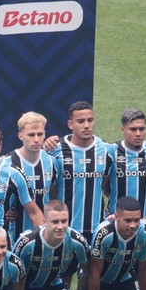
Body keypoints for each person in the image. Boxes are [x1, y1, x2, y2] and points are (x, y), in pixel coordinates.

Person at [13, 200, 89, 290]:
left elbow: (87, 270)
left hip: (53, 283)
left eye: (64, 221)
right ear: (44, 221)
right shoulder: (27, 242)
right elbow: (12, 276)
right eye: (55, 222)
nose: (60, 227)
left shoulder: (77, 241)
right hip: (25, 287)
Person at [78, 197, 146, 290]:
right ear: (116, 217)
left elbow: (143, 270)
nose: (133, 225)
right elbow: (94, 273)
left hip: (123, 277)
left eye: (137, 220)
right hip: (97, 278)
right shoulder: (104, 233)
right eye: (128, 220)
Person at [46, 101, 112, 239]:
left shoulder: (107, 149)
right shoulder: (55, 150)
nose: (86, 125)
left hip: (98, 227)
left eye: (90, 120)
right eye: (81, 121)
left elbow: (109, 182)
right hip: (64, 228)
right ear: (70, 124)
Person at [6, 112, 61, 244]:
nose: (36, 139)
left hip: (45, 235)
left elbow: (56, 193)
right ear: (20, 135)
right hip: (15, 237)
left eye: (40, 134)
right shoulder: (7, 163)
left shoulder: (53, 163)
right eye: (31, 135)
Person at [106, 108, 146, 217]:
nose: (138, 133)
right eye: (133, 129)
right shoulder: (112, 151)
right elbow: (103, 183)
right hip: (118, 222)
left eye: (142, 129)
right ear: (123, 129)